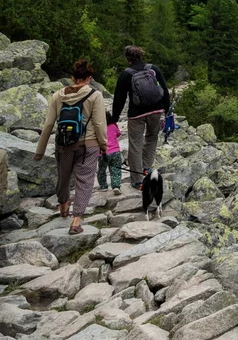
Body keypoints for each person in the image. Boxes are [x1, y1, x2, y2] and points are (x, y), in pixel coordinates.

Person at [33, 59, 107, 234]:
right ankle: (76, 221)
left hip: (64, 144)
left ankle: (64, 205)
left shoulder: (57, 96)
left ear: (73, 78)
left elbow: (49, 125)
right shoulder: (95, 96)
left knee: (64, 177)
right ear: (89, 78)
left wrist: (40, 151)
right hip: (88, 145)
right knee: (85, 181)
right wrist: (103, 145)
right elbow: (99, 124)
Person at [110, 45, 171, 189]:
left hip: (136, 114)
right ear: (141, 55)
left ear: (127, 58)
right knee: (152, 138)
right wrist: (167, 110)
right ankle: (146, 167)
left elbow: (119, 98)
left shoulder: (126, 74)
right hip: (156, 111)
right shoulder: (152, 69)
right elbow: (164, 89)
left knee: (135, 144)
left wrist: (114, 118)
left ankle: (137, 180)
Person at [98, 111, 123, 194]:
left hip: (103, 153)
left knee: (102, 170)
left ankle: (103, 186)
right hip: (115, 152)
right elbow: (118, 134)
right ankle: (116, 186)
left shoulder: (98, 128)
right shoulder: (113, 125)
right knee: (116, 169)